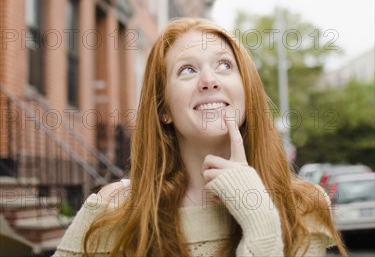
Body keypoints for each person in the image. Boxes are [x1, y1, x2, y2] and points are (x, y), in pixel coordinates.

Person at [53, 17, 347, 257]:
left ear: (246, 90)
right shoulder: (116, 210)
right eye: (187, 69)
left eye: (224, 65)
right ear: (164, 108)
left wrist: (260, 219)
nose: (209, 80)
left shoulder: (303, 207)